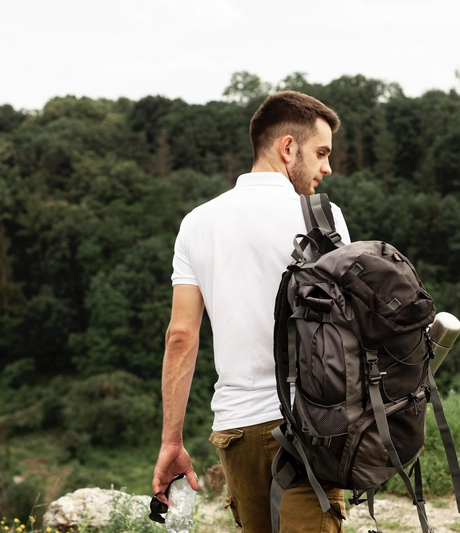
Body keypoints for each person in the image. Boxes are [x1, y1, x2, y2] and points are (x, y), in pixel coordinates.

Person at [152, 91, 352, 533]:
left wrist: (171, 440)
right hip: (310, 425)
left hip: (236, 428)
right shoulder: (323, 217)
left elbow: (181, 337)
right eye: (320, 153)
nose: (327, 168)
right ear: (287, 148)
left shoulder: (197, 223)